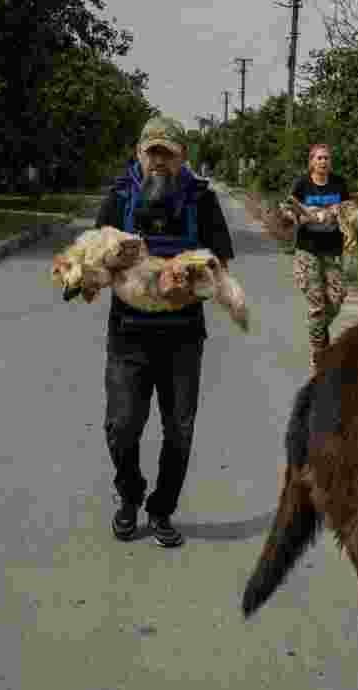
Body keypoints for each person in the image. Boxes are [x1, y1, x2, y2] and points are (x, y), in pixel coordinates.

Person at [95, 115, 236, 548]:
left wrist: (188, 279)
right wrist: (110, 263)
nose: (157, 160)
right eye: (150, 151)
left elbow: (221, 266)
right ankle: (130, 493)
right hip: (128, 335)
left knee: (179, 430)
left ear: (181, 156)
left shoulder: (201, 200)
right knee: (121, 427)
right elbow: (93, 261)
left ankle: (161, 510)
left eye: (166, 152)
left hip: (182, 337)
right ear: (139, 153)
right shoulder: (120, 197)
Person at [286, 144, 352, 373]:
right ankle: (319, 352)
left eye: (327, 158)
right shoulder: (302, 184)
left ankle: (318, 332)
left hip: (333, 251)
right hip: (308, 252)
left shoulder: (339, 183)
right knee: (317, 305)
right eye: (319, 158)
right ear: (311, 161)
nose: (323, 162)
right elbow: (288, 212)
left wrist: (338, 213)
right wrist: (304, 218)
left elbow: (349, 208)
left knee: (336, 298)